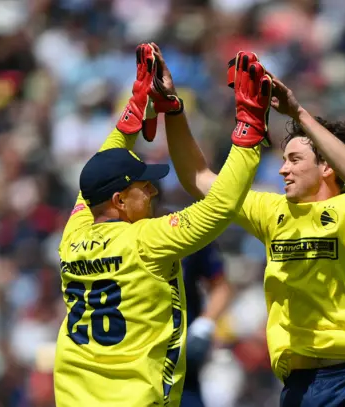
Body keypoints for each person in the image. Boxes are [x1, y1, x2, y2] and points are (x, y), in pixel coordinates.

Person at [158, 47, 345, 406]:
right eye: (284, 160)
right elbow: (198, 179)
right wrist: (172, 107)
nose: (283, 169)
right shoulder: (272, 210)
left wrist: (297, 112)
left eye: (295, 160)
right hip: (298, 386)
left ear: (327, 166)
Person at [53, 44, 273, 407]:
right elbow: (220, 205)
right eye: (143, 186)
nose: (153, 190)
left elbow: (93, 176)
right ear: (120, 202)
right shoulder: (147, 239)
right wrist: (249, 127)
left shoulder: (73, 233)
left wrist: (135, 107)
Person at [180, 241, 231, 407]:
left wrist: (204, 323)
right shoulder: (111, 231)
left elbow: (220, 286)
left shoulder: (184, 229)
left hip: (181, 355)